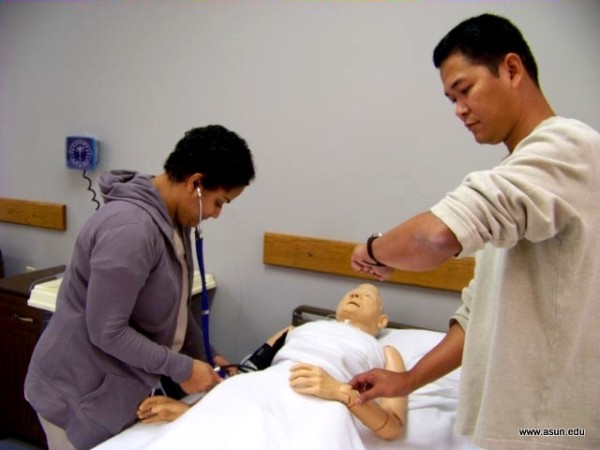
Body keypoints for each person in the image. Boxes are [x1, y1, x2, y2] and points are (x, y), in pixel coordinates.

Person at [349, 13, 600, 450]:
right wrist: (406, 381)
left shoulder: (568, 147)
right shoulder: (521, 185)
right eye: (451, 99)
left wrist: (372, 250)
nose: (459, 110)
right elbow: (477, 317)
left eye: (465, 90)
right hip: (516, 428)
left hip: (553, 431)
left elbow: (434, 237)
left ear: (512, 69)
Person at [24, 125, 256, 450]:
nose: (216, 214)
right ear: (196, 183)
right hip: (74, 392)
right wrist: (183, 369)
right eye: (220, 202)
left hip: (113, 386)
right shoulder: (130, 229)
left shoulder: (172, 219)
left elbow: (176, 309)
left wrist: (206, 355)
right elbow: (107, 331)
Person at [128, 284, 406, 449]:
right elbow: (247, 371)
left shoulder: (385, 352)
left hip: (327, 400)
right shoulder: (297, 330)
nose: (356, 295)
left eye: (368, 296)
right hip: (265, 385)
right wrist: (193, 411)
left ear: (382, 321)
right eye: (352, 293)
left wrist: (341, 392)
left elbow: (393, 428)